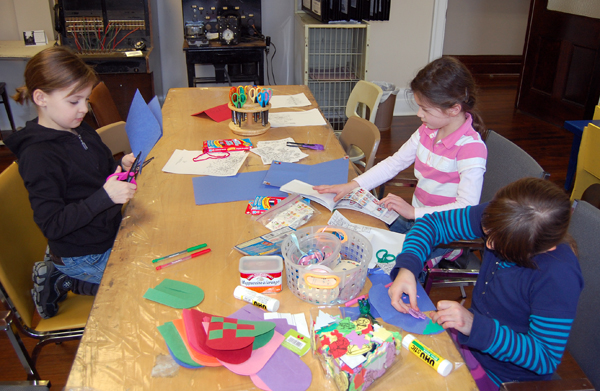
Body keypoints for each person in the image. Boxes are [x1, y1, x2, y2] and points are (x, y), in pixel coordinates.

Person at [388, 178, 583, 389]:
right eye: (488, 232)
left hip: (505, 378)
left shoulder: (558, 276)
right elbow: (432, 224)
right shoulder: (504, 217)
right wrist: (408, 268)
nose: (488, 244)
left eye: (501, 244)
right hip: (468, 346)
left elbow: (544, 358)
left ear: (541, 249)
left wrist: (475, 326)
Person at [315, 56, 488, 267]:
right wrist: (352, 186)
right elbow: (394, 163)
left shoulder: (471, 149)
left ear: (454, 108)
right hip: (417, 219)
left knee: (393, 265)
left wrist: (414, 212)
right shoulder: (428, 131)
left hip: (443, 231)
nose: (419, 114)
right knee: (361, 246)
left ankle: (446, 256)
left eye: (425, 109)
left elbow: (467, 206)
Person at [5, 47, 137, 319]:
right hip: (82, 254)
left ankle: (65, 274)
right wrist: (105, 197)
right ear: (41, 98)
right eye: (74, 101)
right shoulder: (39, 156)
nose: (84, 109)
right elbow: (51, 223)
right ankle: (65, 280)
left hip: (105, 233)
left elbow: (94, 174)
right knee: (143, 282)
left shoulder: (77, 128)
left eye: (86, 100)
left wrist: (120, 167)